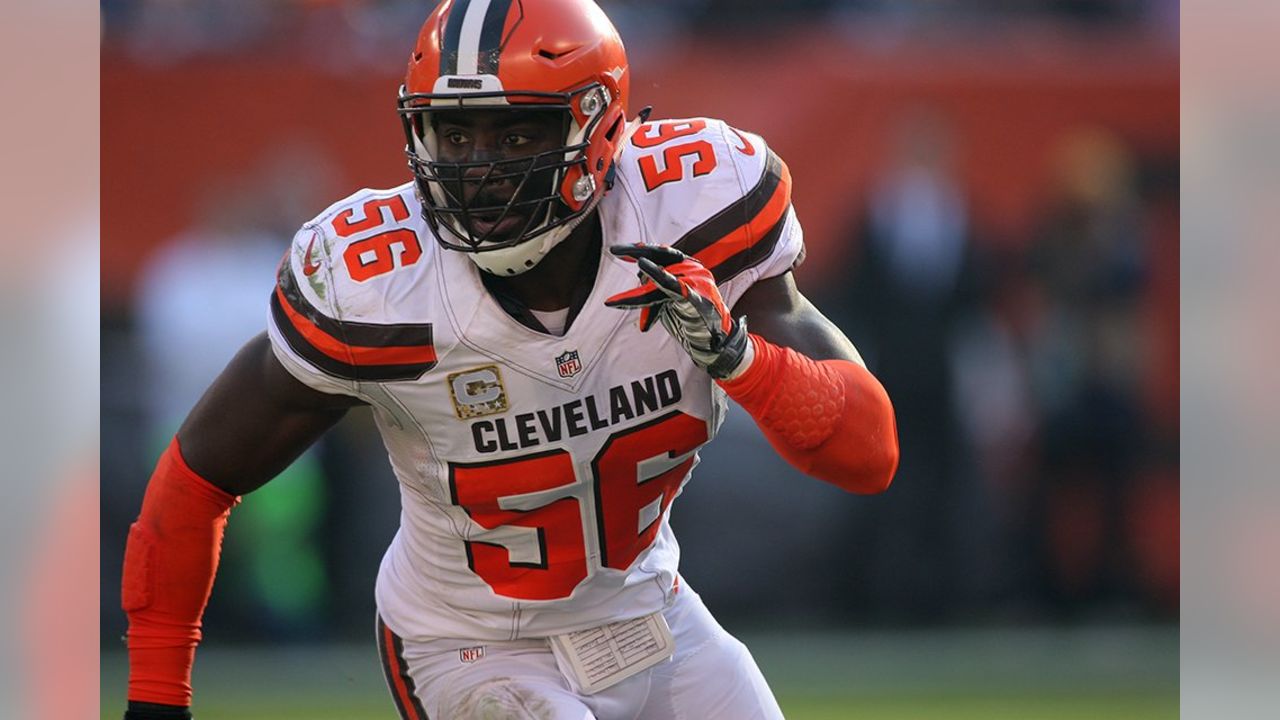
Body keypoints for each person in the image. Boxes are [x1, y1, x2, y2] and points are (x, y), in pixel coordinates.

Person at [120, 1, 899, 718]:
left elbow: (870, 455)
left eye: (512, 132)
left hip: (651, 613)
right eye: (453, 134)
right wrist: (157, 698)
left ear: (597, 128)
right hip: (467, 646)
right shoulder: (379, 287)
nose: (475, 165)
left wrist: (738, 360)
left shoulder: (694, 210)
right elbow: (198, 476)